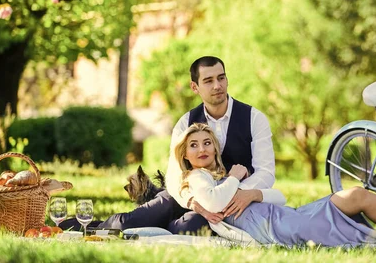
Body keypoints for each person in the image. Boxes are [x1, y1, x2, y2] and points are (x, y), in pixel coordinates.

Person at [175, 122, 376, 250]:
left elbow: (280, 196)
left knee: (357, 195)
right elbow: (214, 203)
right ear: (185, 154)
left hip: (287, 215)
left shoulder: (222, 179)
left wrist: (253, 192)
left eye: (207, 143)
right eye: (194, 145)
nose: (202, 149)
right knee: (369, 235)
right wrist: (237, 177)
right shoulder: (197, 179)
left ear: (215, 148)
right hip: (281, 230)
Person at [94, 56, 275, 234]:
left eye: (221, 78)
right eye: (208, 80)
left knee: (190, 228)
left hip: (235, 202)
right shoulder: (185, 122)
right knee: (125, 225)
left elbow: (266, 172)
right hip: (187, 196)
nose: (217, 86)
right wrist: (191, 201)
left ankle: (163, 229)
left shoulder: (254, 118)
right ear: (194, 87)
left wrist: (234, 194)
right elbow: (174, 175)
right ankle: (82, 226)